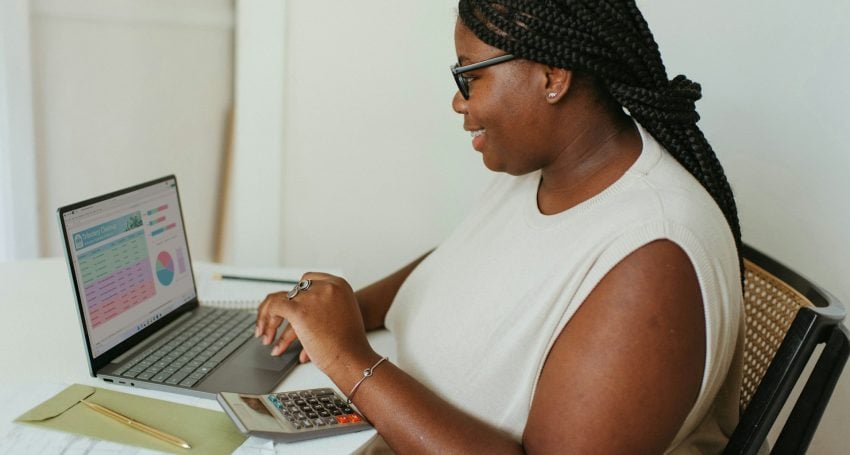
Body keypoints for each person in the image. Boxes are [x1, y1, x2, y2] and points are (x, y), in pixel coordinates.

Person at [255, 0, 744, 453]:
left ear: (553, 77)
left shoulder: (653, 260)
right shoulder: (544, 173)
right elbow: (452, 266)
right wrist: (341, 314)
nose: (458, 102)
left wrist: (346, 357)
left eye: (469, 76)